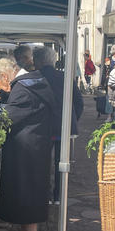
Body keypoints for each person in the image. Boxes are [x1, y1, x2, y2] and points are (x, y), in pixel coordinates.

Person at [0, 57, 57, 231]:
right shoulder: (30, 82)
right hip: (32, 147)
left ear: (5, 76)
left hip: (29, 151)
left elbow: (10, 116)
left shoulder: (24, 89)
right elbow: (19, 106)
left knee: (27, 196)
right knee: (24, 195)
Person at [33, 46, 83, 204]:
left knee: (43, 162)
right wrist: (72, 120)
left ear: (38, 61)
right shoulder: (65, 77)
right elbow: (79, 102)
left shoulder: (36, 77)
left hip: (43, 126)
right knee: (61, 164)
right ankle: (58, 196)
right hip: (63, 126)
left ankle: (45, 195)